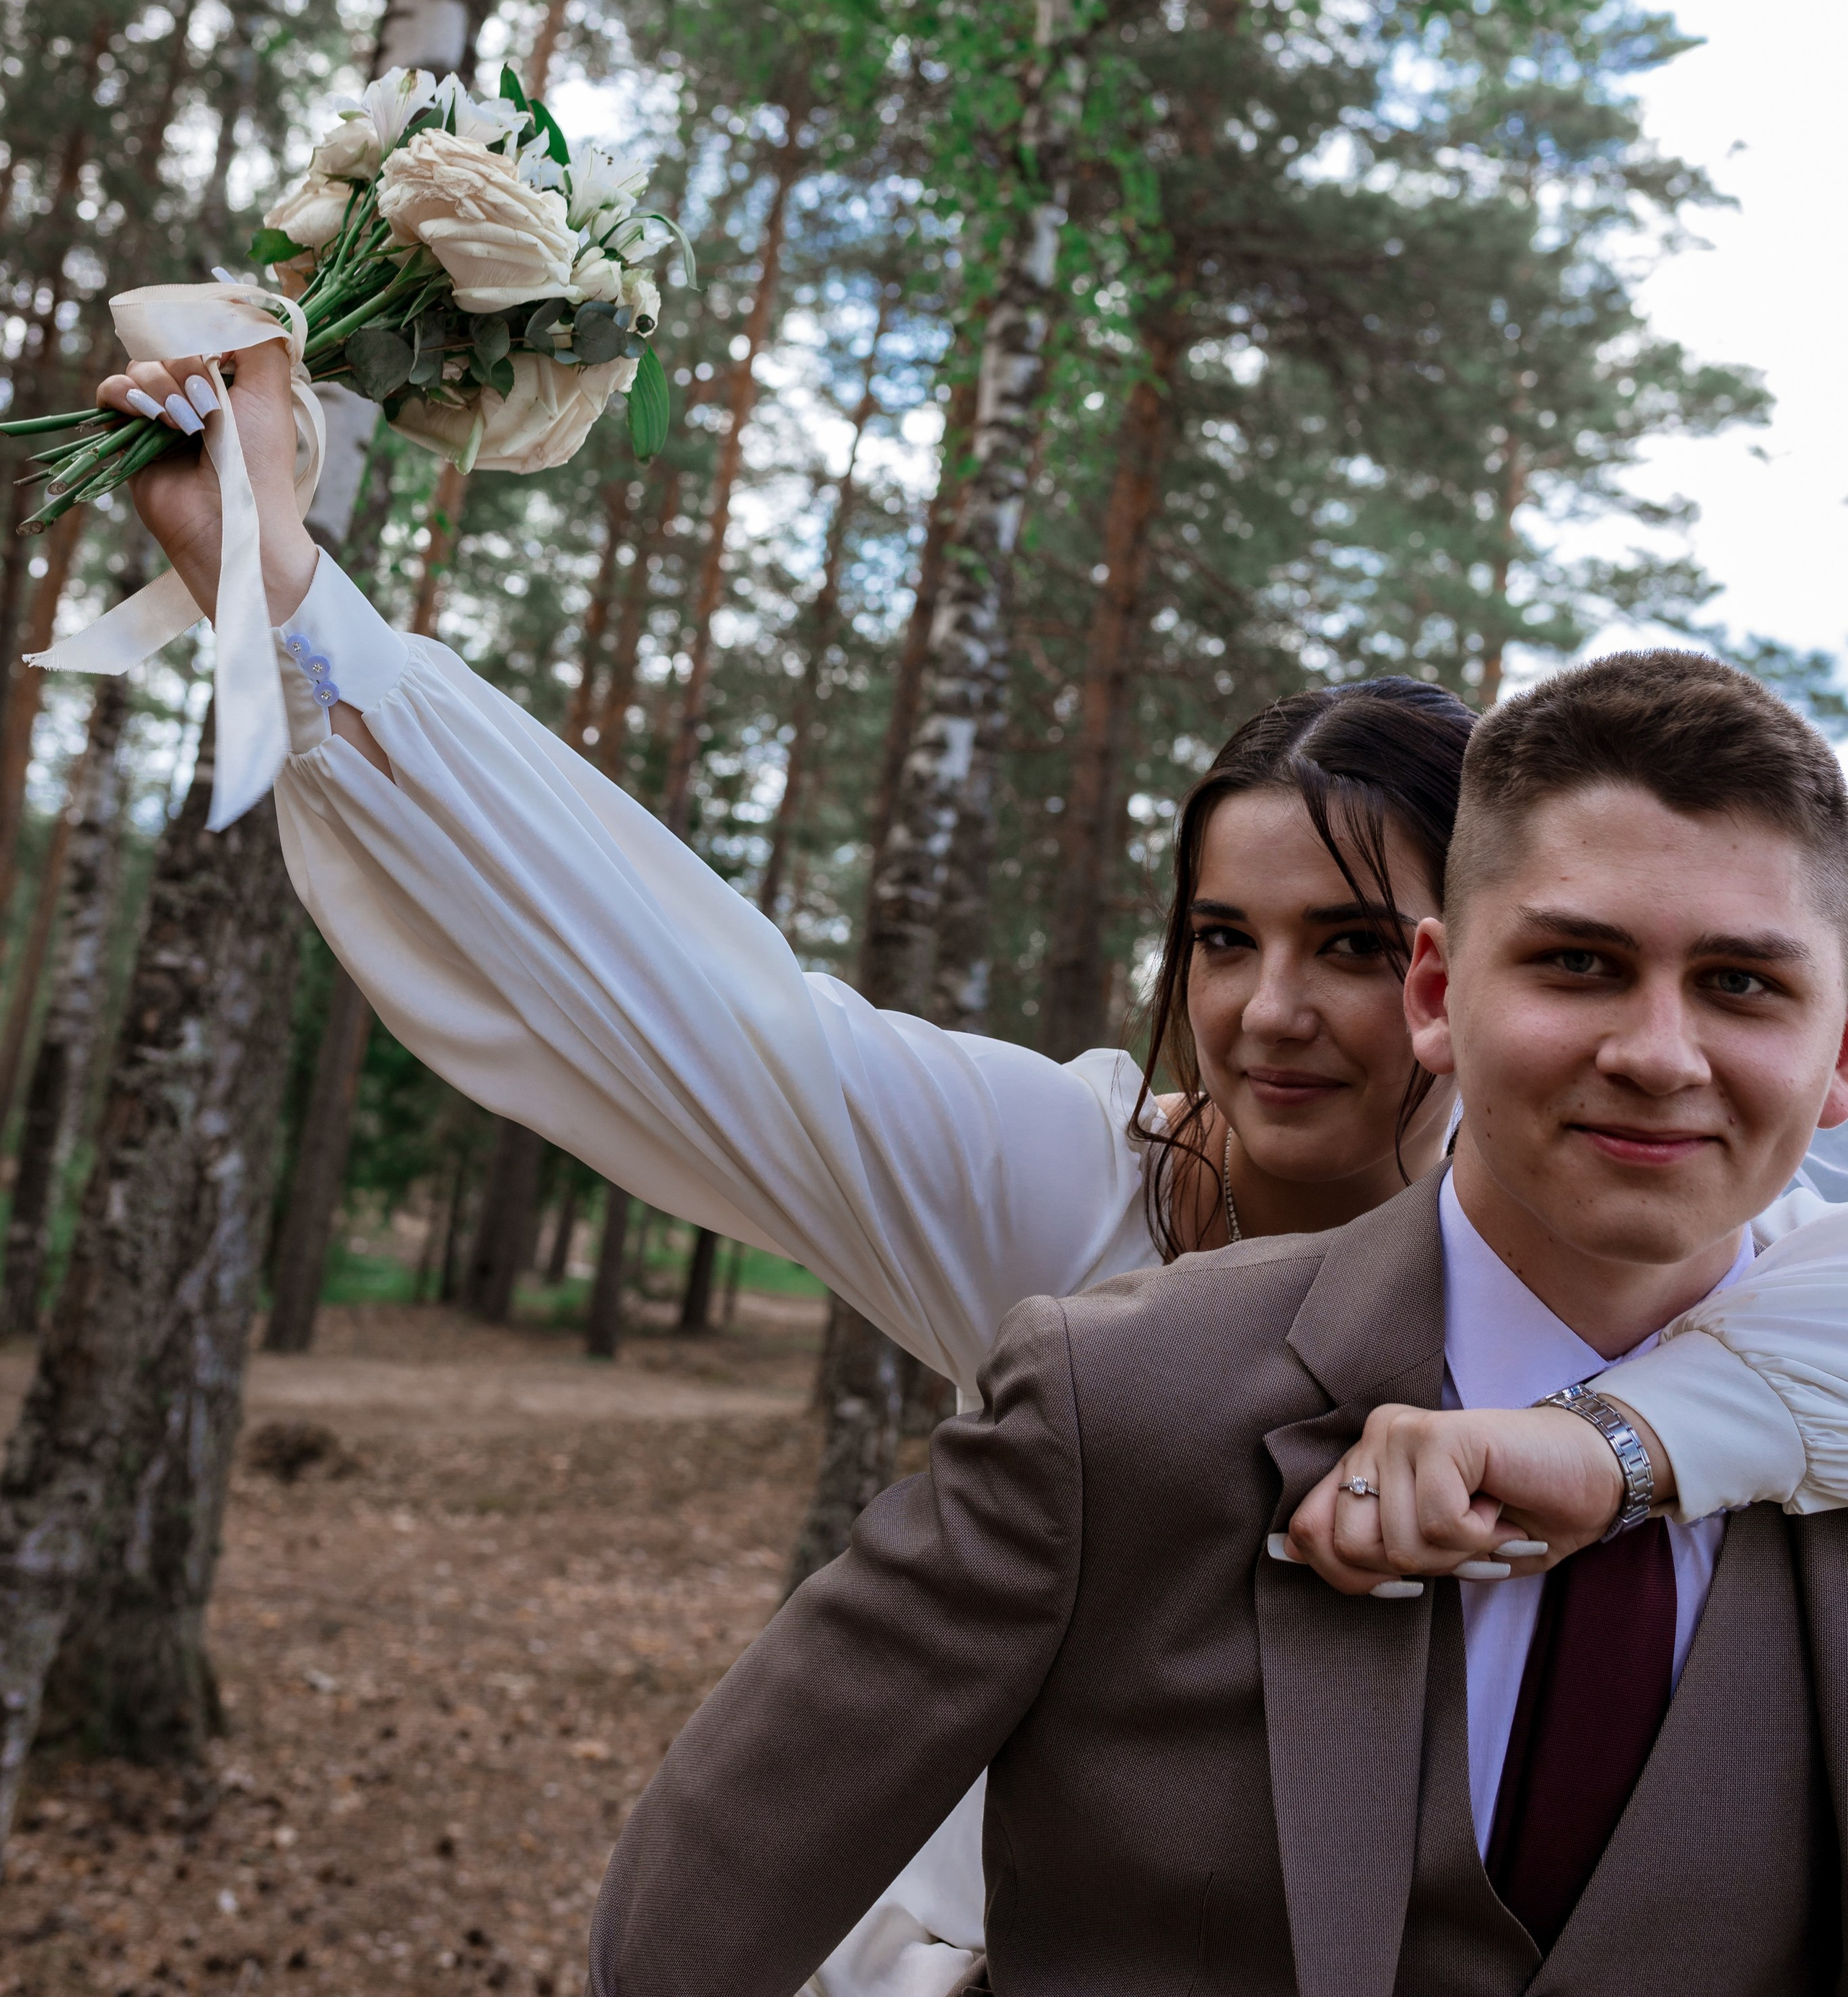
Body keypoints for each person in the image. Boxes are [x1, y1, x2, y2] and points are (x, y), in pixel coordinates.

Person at [97, 341, 1848, 1993]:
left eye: (1338, 942)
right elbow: (701, 1011)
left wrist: (1605, 1445)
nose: (1264, 1015)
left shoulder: (1723, 1240)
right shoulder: (1069, 1200)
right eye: (1219, 941)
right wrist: (296, 605)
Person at [588, 650, 1848, 1994]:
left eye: (1742, 984)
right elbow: (682, 1936)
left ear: (1839, 1056)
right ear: (1438, 996)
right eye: (1579, 963)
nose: (1658, 1054)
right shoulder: (1115, 1395)